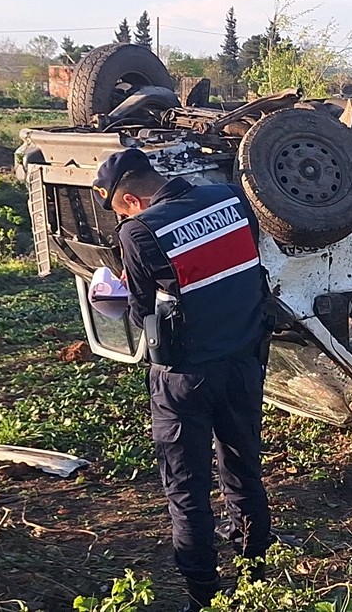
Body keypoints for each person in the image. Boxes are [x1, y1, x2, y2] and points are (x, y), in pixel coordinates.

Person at [92, 148, 271, 611]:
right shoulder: (231, 198)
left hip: (183, 378)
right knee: (244, 474)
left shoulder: (138, 231)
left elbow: (141, 313)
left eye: (119, 211)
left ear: (129, 200)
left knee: (187, 490)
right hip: (243, 364)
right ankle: (255, 579)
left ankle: (202, 596)